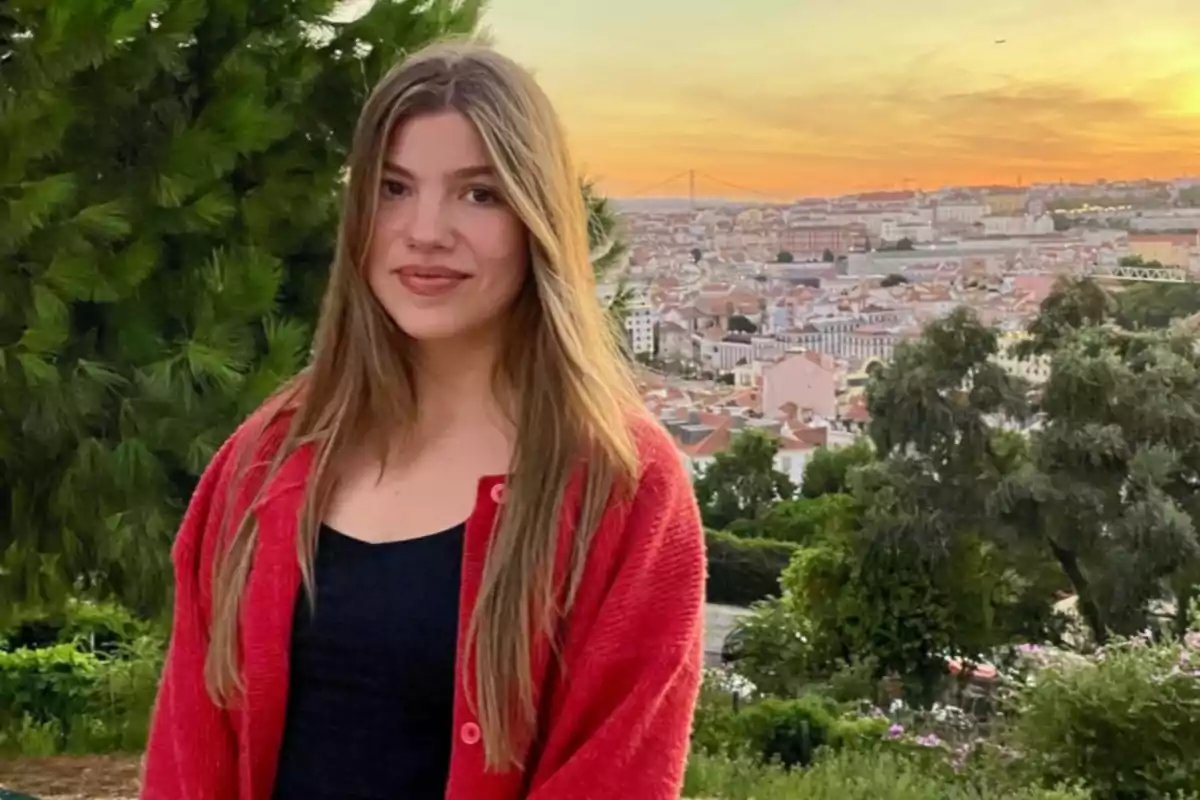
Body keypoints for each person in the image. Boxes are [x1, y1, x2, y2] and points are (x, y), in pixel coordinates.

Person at [140, 37, 705, 800]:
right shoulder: (264, 459)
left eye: (480, 193)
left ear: (537, 216)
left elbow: (615, 775)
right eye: (395, 188)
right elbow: (188, 755)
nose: (427, 230)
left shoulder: (623, 483)